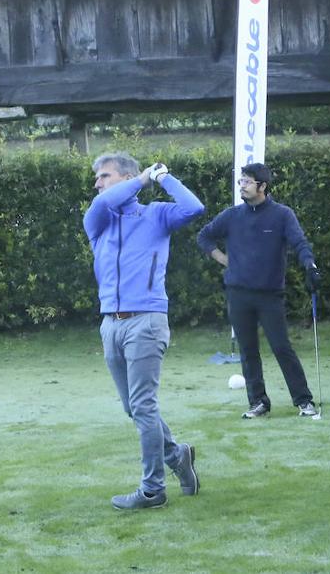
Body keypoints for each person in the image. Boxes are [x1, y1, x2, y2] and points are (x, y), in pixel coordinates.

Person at [84, 152, 205, 510]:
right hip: (110, 323)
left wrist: (164, 178)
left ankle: (152, 490)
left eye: (105, 176)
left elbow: (194, 207)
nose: (98, 183)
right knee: (132, 408)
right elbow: (104, 200)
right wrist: (141, 180)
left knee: (143, 405)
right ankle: (177, 455)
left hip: (147, 320)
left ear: (126, 177)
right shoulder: (98, 218)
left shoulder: (156, 215)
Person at [197, 162, 322, 419]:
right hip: (238, 294)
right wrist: (223, 259)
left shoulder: (282, 215)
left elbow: (299, 243)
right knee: (248, 349)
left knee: (281, 347)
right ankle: (258, 402)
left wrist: (310, 266)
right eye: (241, 181)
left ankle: (304, 400)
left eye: (247, 182)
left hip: (269, 295)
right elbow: (204, 236)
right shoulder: (232, 216)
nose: (241, 186)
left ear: (262, 186)